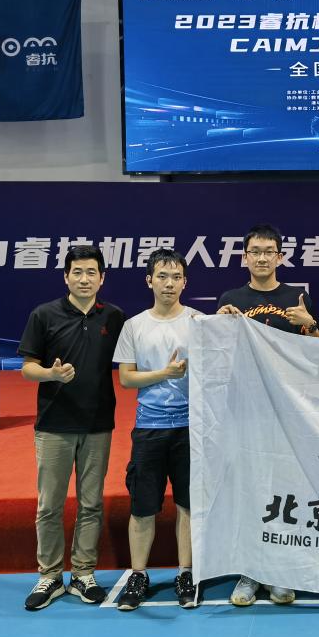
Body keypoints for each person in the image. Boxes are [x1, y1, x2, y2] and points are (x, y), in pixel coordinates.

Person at [216, 223, 319, 607]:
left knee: (286, 489)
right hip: (245, 410)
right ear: (245, 257)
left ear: (280, 257)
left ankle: (280, 569)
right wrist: (220, 324)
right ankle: (250, 571)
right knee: (250, 488)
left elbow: (317, 353)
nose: (261, 258)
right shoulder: (231, 299)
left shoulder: (297, 296)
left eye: (268, 252)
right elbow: (219, 355)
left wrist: (309, 324)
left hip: (287, 410)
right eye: (255, 251)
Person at [18, 245, 124, 611]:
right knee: (50, 504)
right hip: (54, 425)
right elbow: (27, 367)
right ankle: (49, 575)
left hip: (98, 424)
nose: (84, 279)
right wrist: (51, 373)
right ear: (66, 277)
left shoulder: (114, 317)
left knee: (91, 503)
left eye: (91, 272)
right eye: (77, 272)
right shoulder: (44, 315)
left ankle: (83, 573)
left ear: (102, 278)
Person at [112, 249, 201, 611]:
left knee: (188, 505)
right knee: (143, 506)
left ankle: (186, 573)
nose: (169, 283)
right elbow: (126, 378)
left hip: (190, 428)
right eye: (162, 276)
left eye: (176, 277)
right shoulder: (134, 325)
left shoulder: (199, 322)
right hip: (149, 428)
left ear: (185, 282)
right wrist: (165, 374)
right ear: (149, 280)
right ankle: (138, 574)